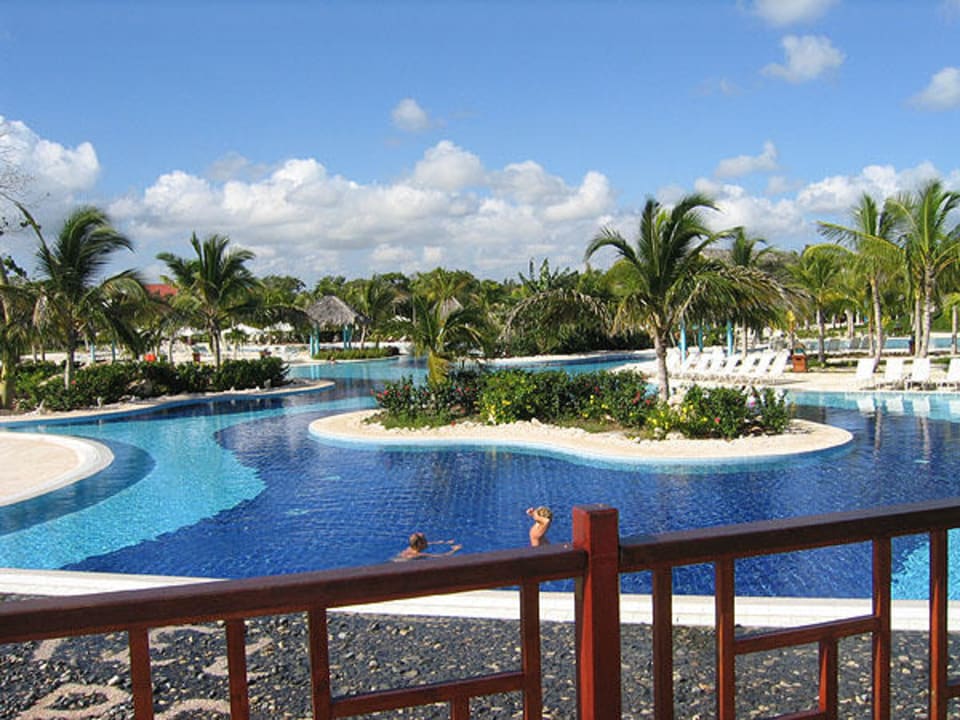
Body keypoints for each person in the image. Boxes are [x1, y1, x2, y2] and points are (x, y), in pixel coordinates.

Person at [394, 532, 462, 561]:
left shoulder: (410, 548)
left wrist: (443, 542)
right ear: (420, 544)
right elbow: (443, 556)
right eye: (425, 540)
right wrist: (455, 550)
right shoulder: (418, 555)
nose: (427, 542)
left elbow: (429, 543)